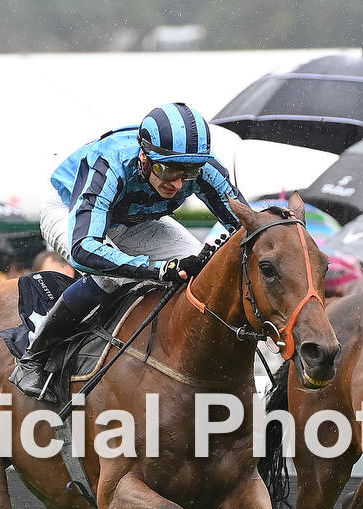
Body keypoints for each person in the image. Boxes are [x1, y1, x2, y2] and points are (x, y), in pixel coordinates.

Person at [13, 102, 241, 402]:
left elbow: (245, 227)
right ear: (144, 157)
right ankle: (35, 355)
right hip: (72, 211)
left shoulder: (204, 168)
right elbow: (85, 248)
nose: (177, 182)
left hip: (136, 220)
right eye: (167, 168)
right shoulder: (112, 160)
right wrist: (157, 269)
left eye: (188, 171)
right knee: (109, 279)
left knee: (201, 273)